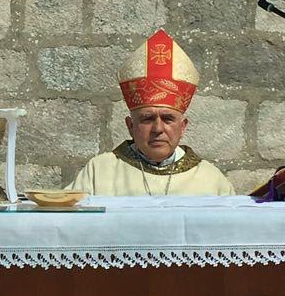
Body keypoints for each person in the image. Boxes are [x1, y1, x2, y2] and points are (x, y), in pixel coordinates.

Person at [68, 29, 235, 196]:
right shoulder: (99, 172)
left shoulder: (211, 180)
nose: (158, 129)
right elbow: (66, 210)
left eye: (168, 119)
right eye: (147, 119)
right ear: (130, 126)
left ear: (183, 127)